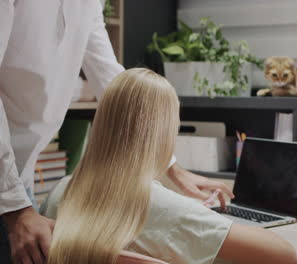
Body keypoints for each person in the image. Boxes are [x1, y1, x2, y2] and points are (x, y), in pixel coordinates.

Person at [0, 1, 233, 263]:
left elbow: (110, 78)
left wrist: (173, 169)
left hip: (19, 180)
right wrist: (17, 211)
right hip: (9, 189)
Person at [40, 68, 297, 264]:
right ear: (163, 133)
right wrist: (204, 218)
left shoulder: (58, 193)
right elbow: (285, 256)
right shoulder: (169, 209)